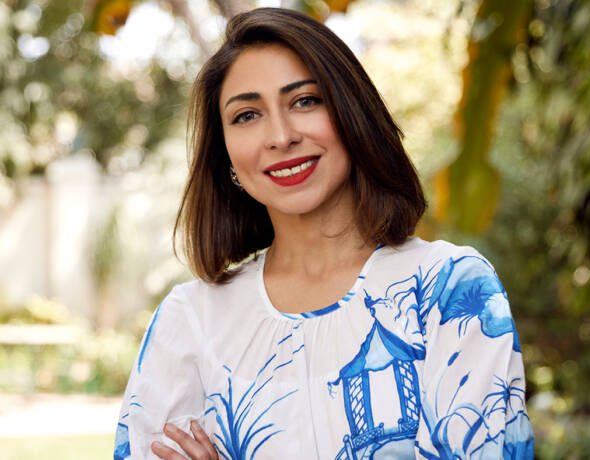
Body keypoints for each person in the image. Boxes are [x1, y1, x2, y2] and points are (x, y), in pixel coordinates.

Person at [113, 7, 534, 460]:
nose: (280, 136)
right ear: (226, 156)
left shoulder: (447, 291)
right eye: (247, 115)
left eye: (305, 101)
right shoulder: (189, 322)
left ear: (352, 115)